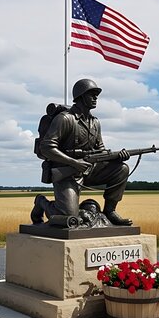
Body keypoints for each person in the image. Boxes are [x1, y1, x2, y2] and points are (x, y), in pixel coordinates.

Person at [32, 78, 133, 226]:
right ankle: (41, 202)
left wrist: (116, 157)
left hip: (89, 170)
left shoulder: (95, 122)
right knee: (67, 216)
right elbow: (47, 147)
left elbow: (100, 150)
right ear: (81, 96)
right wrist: (74, 162)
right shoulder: (65, 119)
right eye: (92, 94)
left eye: (96, 95)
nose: (96, 98)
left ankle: (110, 211)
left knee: (122, 169)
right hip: (67, 172)